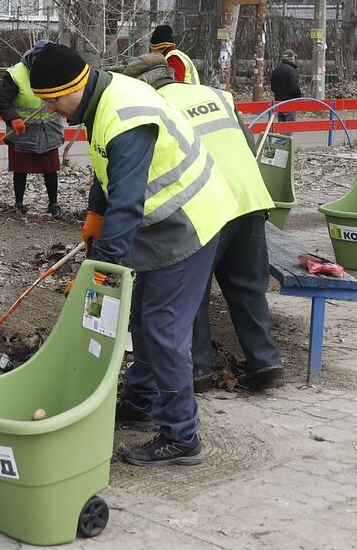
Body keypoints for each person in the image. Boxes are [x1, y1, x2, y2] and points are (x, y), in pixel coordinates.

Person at [29, 43, 237, 467]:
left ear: (71, 87)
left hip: (190, 222)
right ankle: (141, 401)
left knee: (162, 327)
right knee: (141, 317)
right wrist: (93, 213)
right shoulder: (99, 100)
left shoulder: (124, 113)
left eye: (52, 101)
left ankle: (181, 436)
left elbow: (126, 202)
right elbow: (107, 171)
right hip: (163, 224)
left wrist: (99, 272)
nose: (52, 111)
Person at [157, 81, 285, 393]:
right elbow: (249, 143)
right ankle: (265, 362)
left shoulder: (154, 104)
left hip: (207, 205)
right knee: (248, 287)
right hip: (250, 198)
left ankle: (198, 370)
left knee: (194, 290)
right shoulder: (217, 95)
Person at [0, 40, 65, 215]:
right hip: (22, 131)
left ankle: (53, 204)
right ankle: (19, 203)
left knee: (50, 168)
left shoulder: (57, 69)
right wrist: (13, 119)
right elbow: (2, 99)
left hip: (49, 130)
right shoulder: (16, 74)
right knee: (20, 168)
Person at [269, 49, 302, 121]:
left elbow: (273, 87)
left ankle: (282, 132)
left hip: (279, 101)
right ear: (291, 58)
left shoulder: (276, 70)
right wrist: (298, 97)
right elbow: (294, 87)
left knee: (281, 124)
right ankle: (285, 133)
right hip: (289, 101)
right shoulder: (292, 70)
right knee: (289, 124)